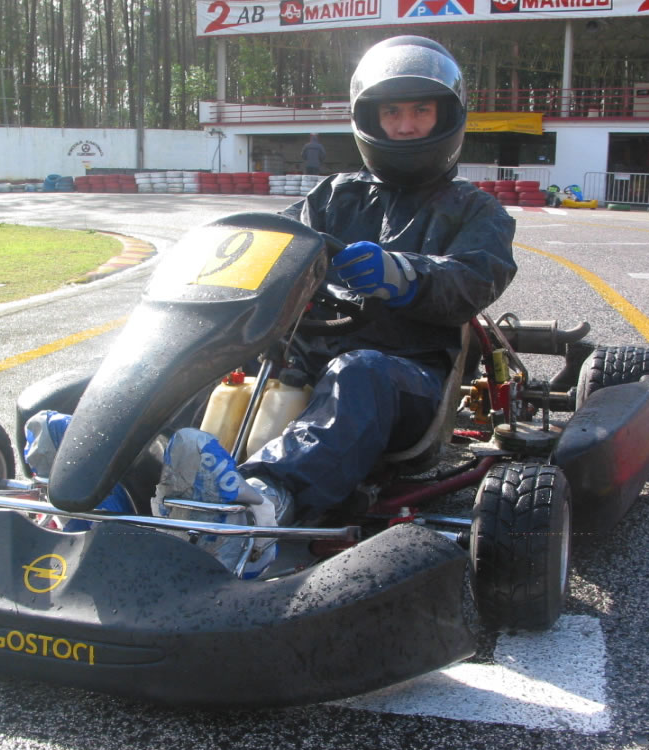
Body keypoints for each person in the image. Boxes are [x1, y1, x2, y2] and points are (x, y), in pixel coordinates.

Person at [150, 35, 518, 578]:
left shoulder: (476, 210)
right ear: (371, 118)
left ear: (447, 117)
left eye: (421, 110)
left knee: (358, 372)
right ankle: (134, 469)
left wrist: (403, 273)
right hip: (306, 356)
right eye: (393, 112)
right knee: (214, 358)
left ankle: (262, 504)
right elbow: (274, 247)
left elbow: (474, 279)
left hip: (406, 378)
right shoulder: (334, 196)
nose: (407, 126)